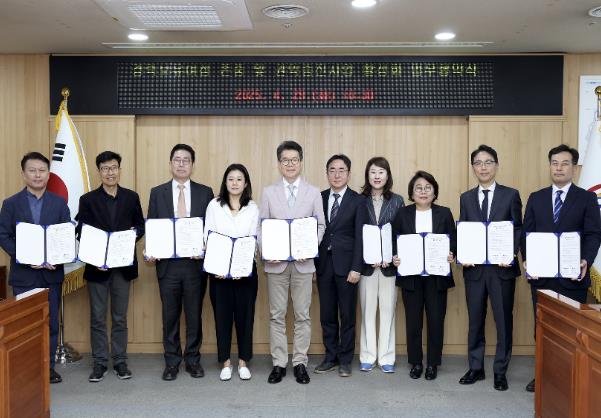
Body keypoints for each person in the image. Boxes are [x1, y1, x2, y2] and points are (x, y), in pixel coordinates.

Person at [521, 144, 601, 393]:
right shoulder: (536, 197)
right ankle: (543, 375)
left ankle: (568, 378)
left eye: (565, 163)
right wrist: (527, 260)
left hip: (572, 277)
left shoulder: (587, 198)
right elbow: (526, 234)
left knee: (570, 330)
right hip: (542, 277)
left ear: (574, 168)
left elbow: (593, 234)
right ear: (550, 166)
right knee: (542, 327)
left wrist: (586, 260)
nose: (559, 168)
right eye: (555, 163)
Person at [258, 140, 326, 384]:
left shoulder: (313, 192)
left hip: (303, 264)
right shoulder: (268, 192)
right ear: (279, 163)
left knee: (302, 315)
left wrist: (310, 248)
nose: (290, 164)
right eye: (285, 160)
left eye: (294, 160)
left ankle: (299, 363)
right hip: (275, 264)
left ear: (301, 162)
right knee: (276, 315)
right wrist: (267, 251)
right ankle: (279, 363)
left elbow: (320, 225)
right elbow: (261, 227)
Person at [0, 152, 71, 384]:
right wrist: (23, 256)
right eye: (32, 170)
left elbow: (65, 237)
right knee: (24, 325)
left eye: (42, 170)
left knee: (50, 324)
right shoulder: (11, 203)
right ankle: (25, 369)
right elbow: (3, 235)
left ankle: (48, 368)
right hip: (24, 275)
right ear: (23, 174)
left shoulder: (59, 203)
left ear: (48, 174)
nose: (37, 175)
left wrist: (57, 258)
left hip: (51, 274)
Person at [146, 144, 214, 381]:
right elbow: (152, 226)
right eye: (177, 159)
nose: (181, 164)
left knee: (194, 316)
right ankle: (172, 362)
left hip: (195, 265)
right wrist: (151, 250)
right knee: (170, 316)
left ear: (192, 165)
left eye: (186, 160)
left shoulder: (206, 192)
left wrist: (205, 248)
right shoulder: (157, 193)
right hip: (168, 266)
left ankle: (193, 360)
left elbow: (210, 229)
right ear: (170, 163)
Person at [75, 151, 145, 382]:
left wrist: (128, 239)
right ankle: (100, 363)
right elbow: (81, 230)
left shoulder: (131, 197)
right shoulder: (87, 200)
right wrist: (97, 255)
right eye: (105, 168)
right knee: (97, 317)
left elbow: (140, 226)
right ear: (99, 172)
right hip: (97, 268)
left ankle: (120, 361)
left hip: (122, 267)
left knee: (120, 317)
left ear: (119, 170)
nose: (110, 172)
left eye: (113, 167)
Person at [458, 144, 523, 391]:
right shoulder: (466, 198)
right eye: (478, 163)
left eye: (488, 162)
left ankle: (500, 371)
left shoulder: (511, 195)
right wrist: (462, 254)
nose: (483, 167)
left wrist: (511, 252)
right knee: (475, 320)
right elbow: (464, 230)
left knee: (503, 321)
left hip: (501, 269)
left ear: (496, 165)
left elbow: (518, 228)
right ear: (473, 167)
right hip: (474, 270)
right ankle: (475, 368)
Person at [392, 170, 456, 381]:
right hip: (411, 276)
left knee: (436, 321)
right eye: (418, 188)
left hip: (437, 277)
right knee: (413, 322)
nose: (423, 191)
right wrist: (395, 257)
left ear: (434, 192)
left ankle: (433, 363)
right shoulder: (403, 214)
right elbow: (394, 241)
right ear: (412, 192)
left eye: (428, 188)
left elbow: (453, 241)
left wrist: (451, 254)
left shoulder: (444, 213)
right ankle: (416, 362)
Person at [204, 164, 259, 381]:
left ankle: (243, 362)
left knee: (246, 318)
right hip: (219, 273)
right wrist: (217, 265)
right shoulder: (214, 205)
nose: (235, 183)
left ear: (246, 184)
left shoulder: (253, 207)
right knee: (222, 317)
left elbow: (255, 239)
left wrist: (241, 266)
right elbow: (207, 235)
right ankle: (225, 362)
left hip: (245, 272)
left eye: (239, 179)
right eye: (231, 179)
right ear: (225, 182)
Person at [314, 154, 363, 378]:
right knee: (327, 315)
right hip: (323, 265)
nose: (336, 174)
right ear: (327, 173)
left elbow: (361, 237)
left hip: (347, 267)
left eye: (341, 170)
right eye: (332, 170)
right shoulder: (319, 197)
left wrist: (357, 267)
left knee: (347, 315)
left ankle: (345, 360)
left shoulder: (358, 200)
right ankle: (330, 357)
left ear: (348, 174)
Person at [357, 156, 404, 373]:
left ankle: (386, 357)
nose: (377, 176)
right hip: (366, 267)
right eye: (373, 172)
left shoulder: (397, 201)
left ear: (387, 175)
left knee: (387, 311)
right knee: (367, 312)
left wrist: (394, 255)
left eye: (381, 172)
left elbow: (401, 232)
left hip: (389, 266)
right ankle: (367, 355)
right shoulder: (359, 200)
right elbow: (356, 233)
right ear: (368, 175)